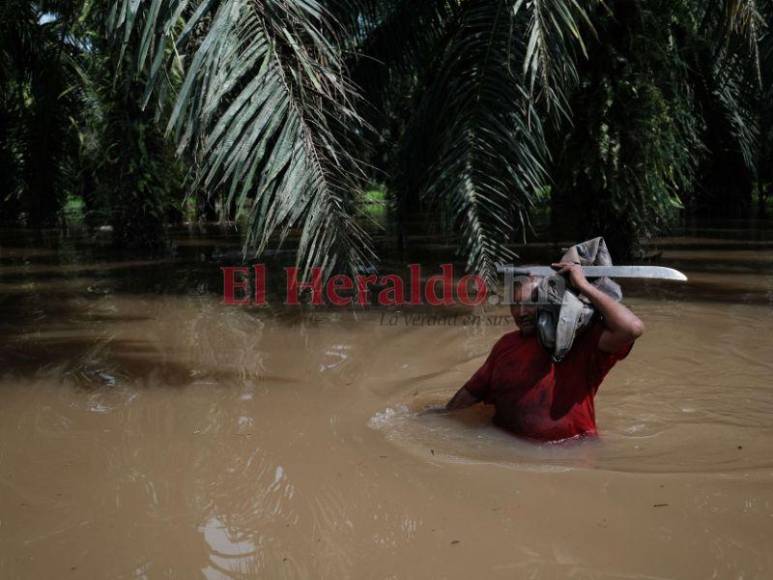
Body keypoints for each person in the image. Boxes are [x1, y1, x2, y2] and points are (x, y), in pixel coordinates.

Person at [446, 262, 645, 441]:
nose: (521, 312)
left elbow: (632, 328)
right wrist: (440, 418)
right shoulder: (506, 344)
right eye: (515, 304)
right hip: (509, 448)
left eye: (530, 304)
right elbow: (472, 392)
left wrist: (583, 285)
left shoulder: (580, 341)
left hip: (571, 453)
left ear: (550, 301)